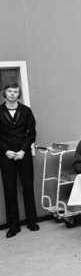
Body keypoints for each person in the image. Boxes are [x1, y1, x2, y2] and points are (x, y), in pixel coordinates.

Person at [0, 83, 39, 238]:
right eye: (9, 91)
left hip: (24, 154)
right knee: (9, 190)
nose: (12, 94)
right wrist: (6, 151)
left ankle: (32, 221)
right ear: (5, 93)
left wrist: (23, 150)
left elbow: (31, 133)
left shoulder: (26, 111)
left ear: (19, 94)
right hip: (5, 156)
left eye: (15, 91)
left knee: (28, 187)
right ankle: (13, 226)